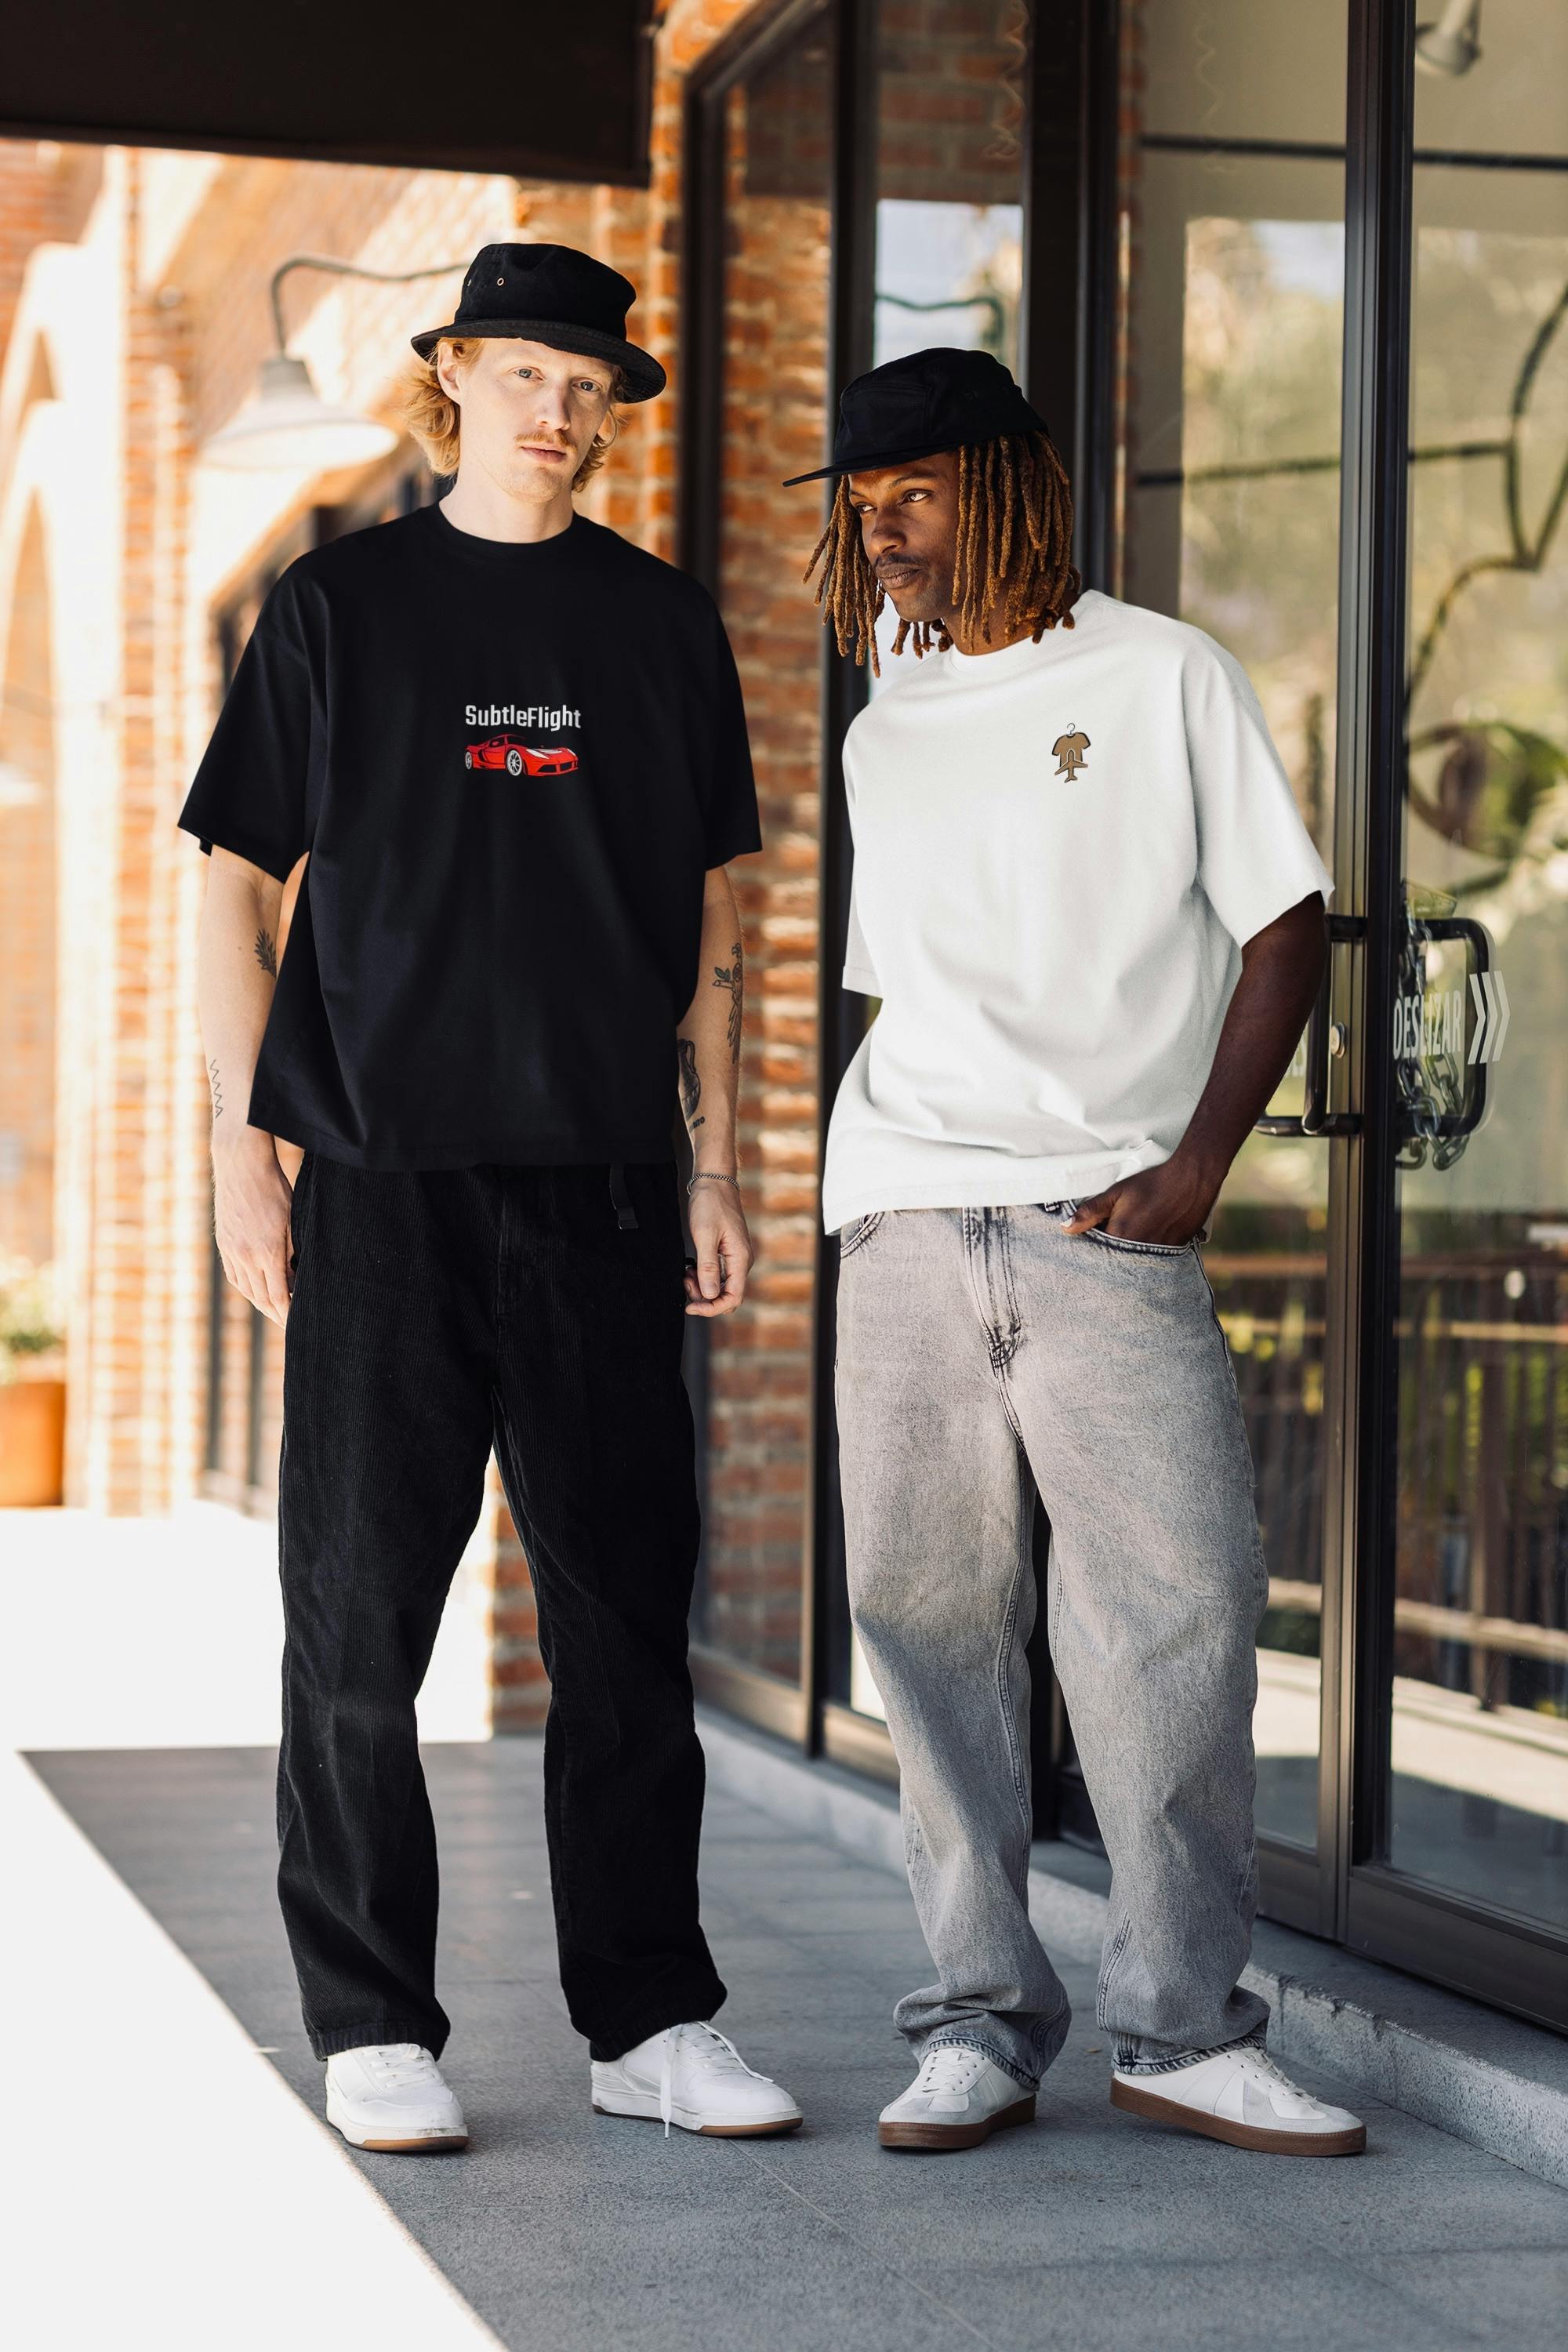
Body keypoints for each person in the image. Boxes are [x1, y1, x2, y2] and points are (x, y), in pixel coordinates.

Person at [180, 243, 801, 2151]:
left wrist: (713, 1160)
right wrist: (235, 1148)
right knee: (359, 1624)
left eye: (587, 380)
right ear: (454, 376)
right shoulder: (339, 606)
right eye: (522, 368)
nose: (557, 405)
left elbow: (704, 926)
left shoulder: (656, 627)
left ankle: (648, 2023)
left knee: (625, 1619)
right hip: (378, 1181)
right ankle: (373, 2022)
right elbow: (228, 880)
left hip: (607, 1188)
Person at [787, 346, 1366, 2158]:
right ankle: (974, 2017)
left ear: (1012, 491)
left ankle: (1181, 2031)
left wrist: (1201, 1161)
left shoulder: (1158, 672)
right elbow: (919, 985)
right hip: (900, 1208)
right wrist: (873, 1191)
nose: (881, 533)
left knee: (1173, 1626)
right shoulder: (886, 709)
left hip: (1106, 1215)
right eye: (861, 504)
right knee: (929, 1630)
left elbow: (1285, 926)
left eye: (917, 496)